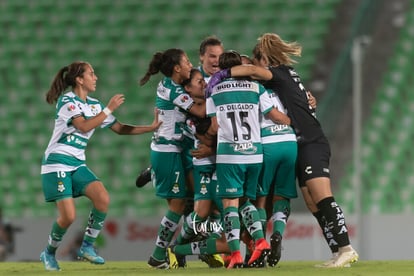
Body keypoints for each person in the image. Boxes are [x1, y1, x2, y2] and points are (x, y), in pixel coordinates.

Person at [207, 33, 359, 268]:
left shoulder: (277, 72)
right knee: (311, 202)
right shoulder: (283, 79)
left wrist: (222, 75)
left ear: (264, 59)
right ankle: (337, 251)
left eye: (255, 63)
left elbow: (255, 73)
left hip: (310, 141)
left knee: (322, 197)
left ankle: (347, 248)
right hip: (299, 142)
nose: (252, 69)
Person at [39, 61, 161, 271]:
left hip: (77, 164)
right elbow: (83, 126)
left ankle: (87, 247)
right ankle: (48, 253)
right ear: (79, 79)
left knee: (102, 198)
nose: (95, 78)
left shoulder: (94, 105)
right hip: (57, 162)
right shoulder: (68, 101)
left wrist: (150, 127)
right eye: (91, 74)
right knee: (68, 216)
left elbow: (120, 128)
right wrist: (109, 108)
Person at [202, 50, 291, 269]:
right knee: (246, 202)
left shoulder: (213, 90)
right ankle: (260, 241)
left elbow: (214, 127)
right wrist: (293, 121)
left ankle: (235, 254)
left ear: (223, 70)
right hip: (254, 153)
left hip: (229, 154)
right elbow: (273, 115)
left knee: (230, 204)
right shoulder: (257, 88)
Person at [140, 48, 207, 269]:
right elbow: (199, 111)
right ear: (177, 68)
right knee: (178, 203)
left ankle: (186, 245)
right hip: (167, 151)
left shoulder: (174, 86)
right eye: (187, 62)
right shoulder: (172, 89)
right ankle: (159, 254)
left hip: (178, 150)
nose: (190, 65)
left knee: (199, 196)